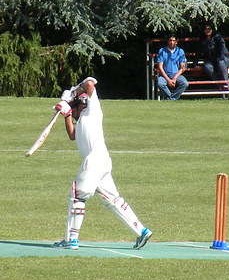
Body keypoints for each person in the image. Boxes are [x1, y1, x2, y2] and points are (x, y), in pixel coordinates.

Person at [52, 77, 153, 250]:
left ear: (79, 103)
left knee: (77, 194)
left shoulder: (93, 109)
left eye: (72, 109)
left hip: (94, 160)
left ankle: (71, 239)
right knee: (113, 199)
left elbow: (90, 83)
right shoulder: (82, 118)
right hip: (102, 162)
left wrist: (73, 92)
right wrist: (66, 114)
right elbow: (72, 136)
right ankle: (141, 230)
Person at [155, 35, 188, 100]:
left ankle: (172, 98)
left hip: (176, 75)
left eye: (173, 41)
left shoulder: (180, 51)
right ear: (168, 41)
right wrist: (168, 80)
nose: (172, 42)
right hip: (165, 75)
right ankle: (171, 98)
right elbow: (160, 67)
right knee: (160, 83)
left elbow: (182, 68)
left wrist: (174, 78)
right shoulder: (162, 51)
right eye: (170, 40)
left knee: (185, 83)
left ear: (176, 42)